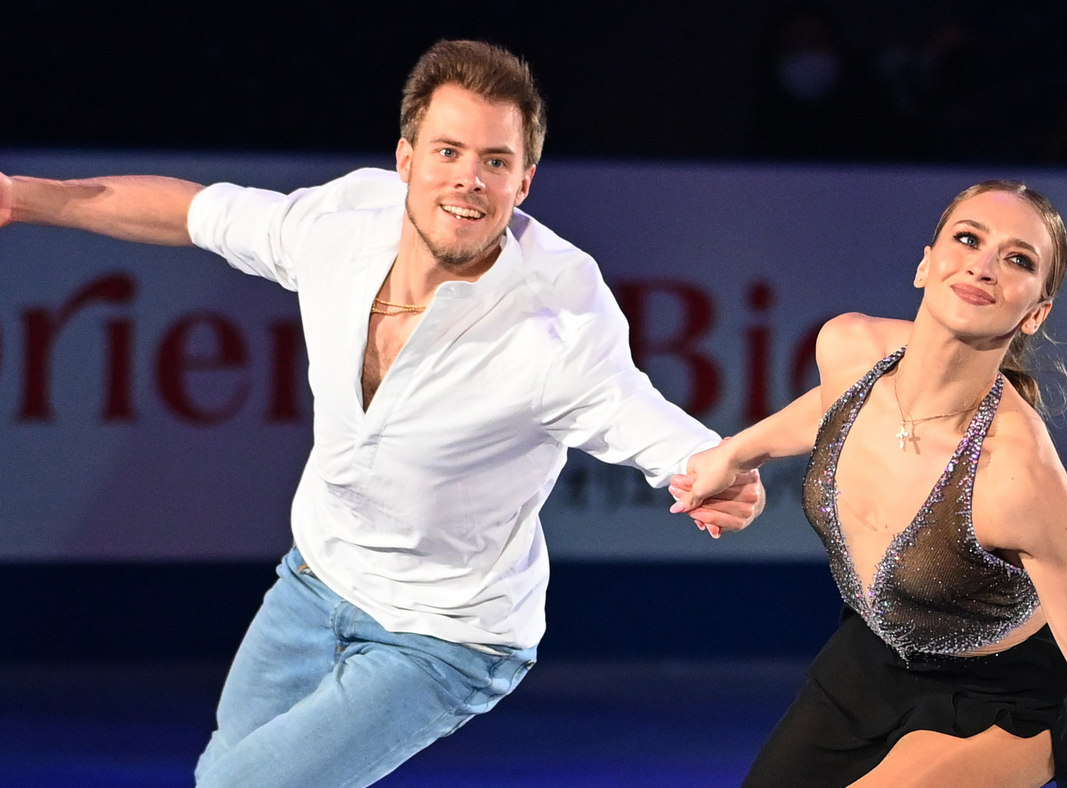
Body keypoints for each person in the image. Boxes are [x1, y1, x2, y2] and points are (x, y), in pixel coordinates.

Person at [0, 39, 762, 787]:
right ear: (406, 159)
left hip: (445, 636)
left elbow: (635, 412)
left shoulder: (556, 319)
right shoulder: (341, 226)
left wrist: (718, 469)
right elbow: (194, 212)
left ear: (524, 182)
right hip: (313, 580)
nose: (468, 180)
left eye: (496, 162)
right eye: (448, 152)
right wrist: (21, 197)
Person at [670, 181, 1067, 787]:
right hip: (867, 667)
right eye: (969, 239)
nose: (984, 265)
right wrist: (736, 453)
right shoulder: (851, 349)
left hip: (1001, 702)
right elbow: (836, 405)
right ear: (926, 264)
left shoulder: (1015, 476)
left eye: (1018, 259)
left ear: (1036, 313)